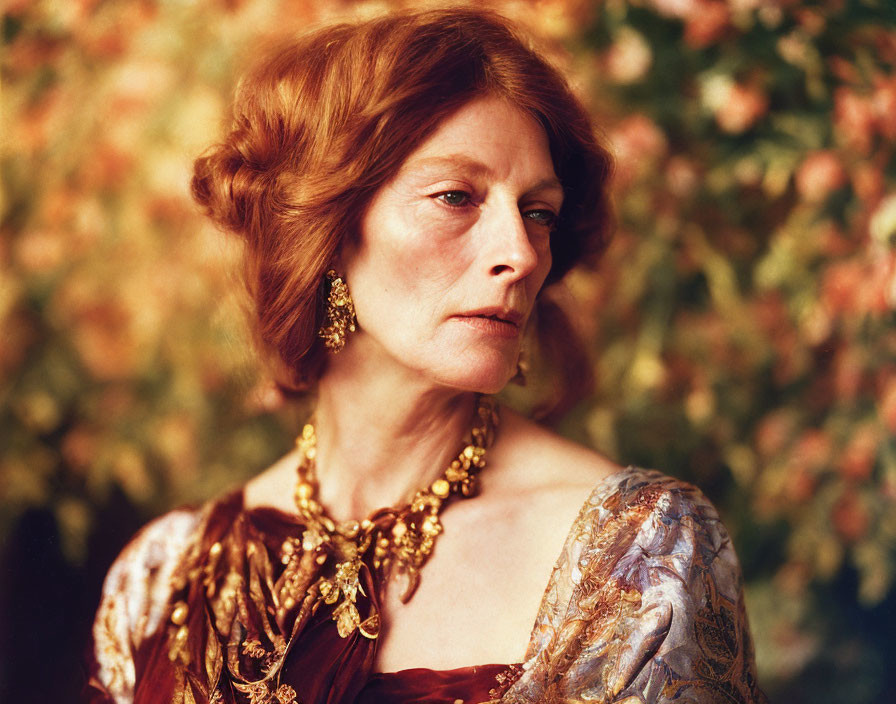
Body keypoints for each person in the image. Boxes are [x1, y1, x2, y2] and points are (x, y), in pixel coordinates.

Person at [85, 7, 766, 704]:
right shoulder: (164, 575)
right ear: (328, 231)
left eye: (539, 211)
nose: (521, 253)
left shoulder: (642, 557)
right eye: (455, 197)